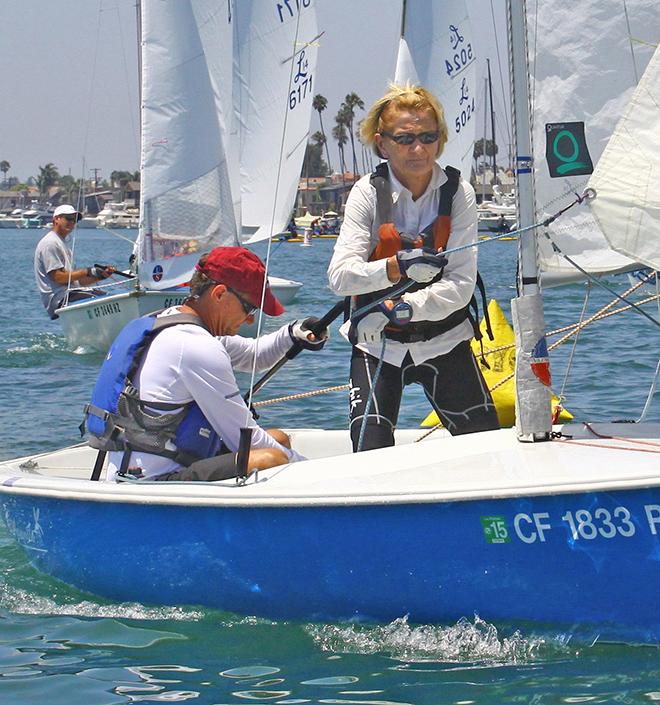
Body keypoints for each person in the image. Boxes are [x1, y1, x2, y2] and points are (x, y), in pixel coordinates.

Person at [327, 82, 499, 452]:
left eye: (428, 137)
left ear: (440, 140)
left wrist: (398, 309)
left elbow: (460, 286)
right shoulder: (366, 193)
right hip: (377, 347)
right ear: (382, 143)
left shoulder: (459, 193)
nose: (418, 149)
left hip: (445, 341)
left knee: (487, 449)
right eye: (405, 139)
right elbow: (340, 277)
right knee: (368, 454)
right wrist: (395, 266)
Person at [85, 246, 328, 482]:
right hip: (153, 480)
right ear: (220, 294)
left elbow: (253, 356)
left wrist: (292, 333)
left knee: (279, 439)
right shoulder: (195, 346)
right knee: (270, 458)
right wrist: (316, 474)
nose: (252, 318)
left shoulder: (167, 324)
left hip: (132, 467)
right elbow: (246, 440)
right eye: (250, 307)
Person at [34, 204, 116, 319]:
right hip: (60, 299)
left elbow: (75, 282)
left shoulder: (62, 244)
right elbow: (58, 277)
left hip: (70, 294)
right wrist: (86, 271)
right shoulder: (50, 243)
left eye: (75, 220)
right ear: (56, 219)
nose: (72, 222)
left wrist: (100, 276)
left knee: (109, 297)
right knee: (107, 300)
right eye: (68, 218)